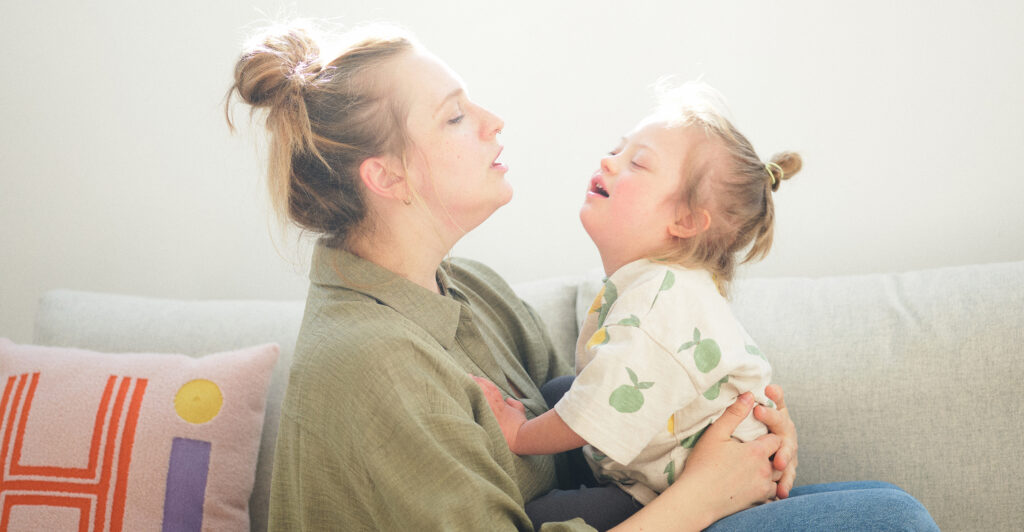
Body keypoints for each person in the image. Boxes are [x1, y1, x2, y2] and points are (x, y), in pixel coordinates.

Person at [226, 20, 938, 531]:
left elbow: (587, 432)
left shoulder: (469, 290)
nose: (495, 122)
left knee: (873, 499)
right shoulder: (365, 367)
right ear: (387, 175)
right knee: (894, 519)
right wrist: (705, 493)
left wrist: (734, 433)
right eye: (455, 118)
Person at [474, 81, 796, 524]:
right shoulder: (658, 284)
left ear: (685, 220)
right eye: (617, 149)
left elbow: (598, 411)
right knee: (556, 393)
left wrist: (519, 434)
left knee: (541, 515)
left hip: (689, 488)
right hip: (678, 458)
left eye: (637, 163)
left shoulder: (658, 303)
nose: (608, 160)